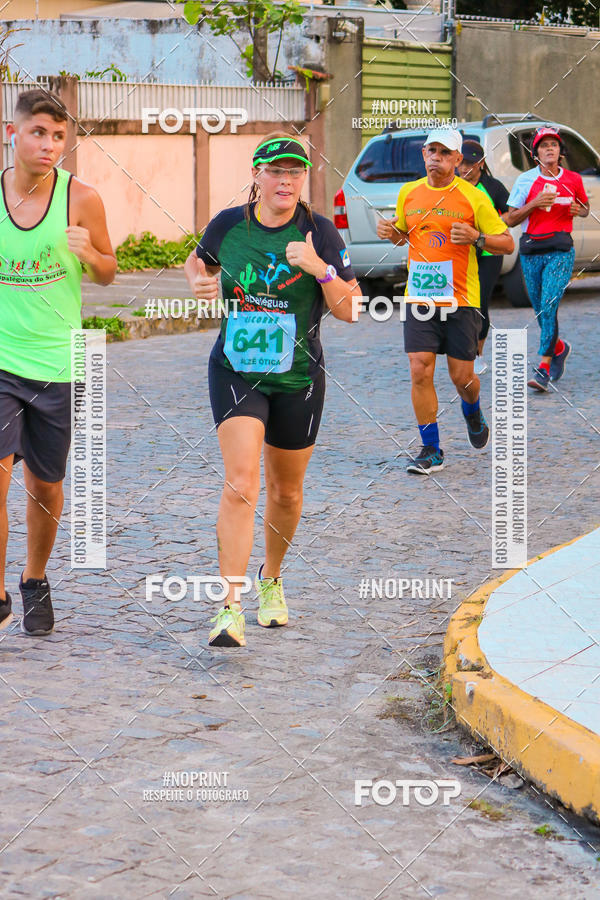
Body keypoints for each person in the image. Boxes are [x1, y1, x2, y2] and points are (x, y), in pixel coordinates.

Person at [184, 133, 360, 647]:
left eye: (295, 172)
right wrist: (197, 279)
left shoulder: (320, 232)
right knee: (242, 483)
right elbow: (197, 261)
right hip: (236, 369)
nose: (286, 180)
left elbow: (351, 309)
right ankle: (229, 608)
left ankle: (273, 577)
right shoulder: (228, 225)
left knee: (286, 492)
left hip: (298, 377)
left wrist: (320, 269)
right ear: (256, 175)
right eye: (276, 171)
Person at [0, 89, 116, 636]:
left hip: (59, 365)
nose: (49, 145)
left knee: (45, 487)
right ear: (12, 133)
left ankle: (34, 578)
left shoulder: (81, 199)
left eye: (59, 137)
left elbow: (108, 272)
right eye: (38, 133)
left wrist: (88, 252)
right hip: (2, 360)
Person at [377, 128, 513, 475]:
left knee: (462, 377)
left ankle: (473, 410)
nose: (436, 157)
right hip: (420, 297)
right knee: (419, 368)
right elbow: (405, 235)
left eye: (444, 152)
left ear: (457, 159)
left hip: (461, 300)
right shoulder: (409, 193)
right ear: (424, 154)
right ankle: (431, 449)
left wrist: (477, 237)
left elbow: (507, 242)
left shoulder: (473, 197)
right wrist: (393, 233)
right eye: (431, 151)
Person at [504, 126, 589, 392]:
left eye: (554, 144)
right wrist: (535, 203)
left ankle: (543, 368)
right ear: (535, 154)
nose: (549, 149)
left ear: (560, 151)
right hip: (531, 251)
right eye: (543, 145)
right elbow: (510, 218)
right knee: (541, 310)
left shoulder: (573, 179)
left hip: (561, 251)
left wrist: (579, 210)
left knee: (549, 305)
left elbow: (585, 208)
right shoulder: (525, 181)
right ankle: (559, 348)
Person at [457, 140, 510, 375]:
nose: (464, 168)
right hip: (462, 252)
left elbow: (510, 212)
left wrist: (492, 226)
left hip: (488, 252)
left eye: (469, 163)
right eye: (461, 163)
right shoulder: (453, 186)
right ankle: (461, 350)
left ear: (480, 163)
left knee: (480, 302)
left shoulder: (492, 186)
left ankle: (477, 355)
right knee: (462, 302)